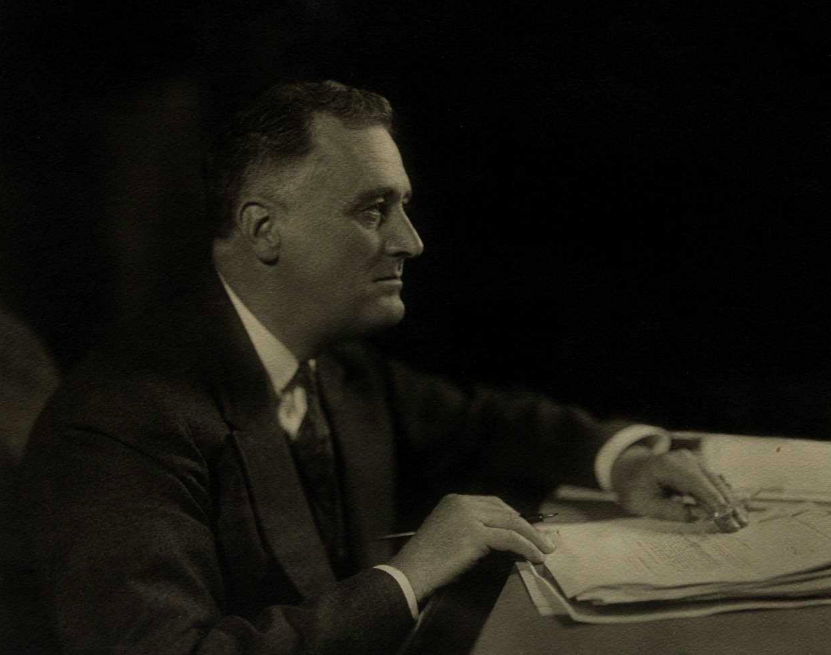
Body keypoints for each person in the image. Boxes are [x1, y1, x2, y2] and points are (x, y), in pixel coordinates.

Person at [21, 80, 747, 655]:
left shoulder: (335, 365)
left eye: (403, 206)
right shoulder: (121, 422)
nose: (412, 240)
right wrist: (410, 574)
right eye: (373, 209)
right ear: (263, 229)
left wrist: (618, 458)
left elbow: (475, 421)